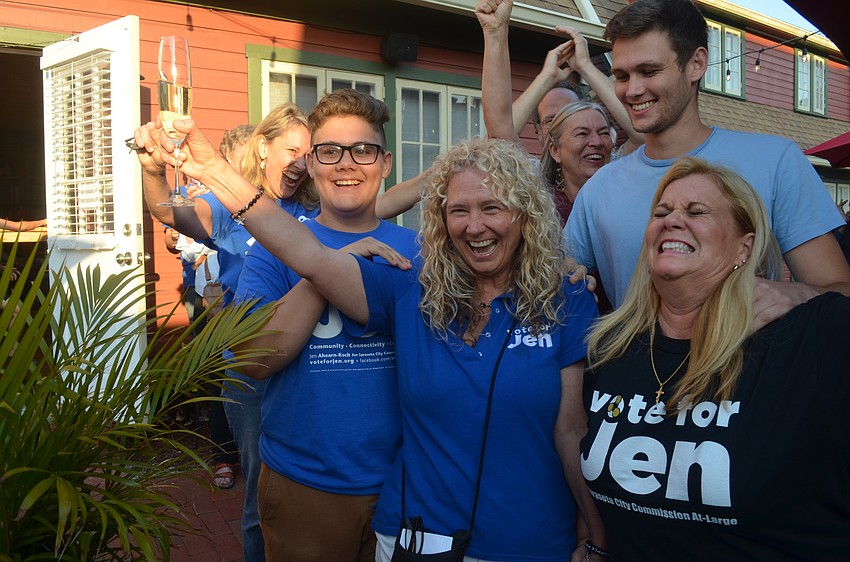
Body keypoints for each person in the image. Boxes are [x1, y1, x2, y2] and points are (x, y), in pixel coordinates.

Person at [152, 118, 607, 560]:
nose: (475, 226)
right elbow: (305, 253)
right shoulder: (413, 287)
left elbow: (571, 432)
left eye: (493, 207)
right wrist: (213, 169)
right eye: (458, 211)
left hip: (527, 537)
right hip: (417, 534)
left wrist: (594, 530)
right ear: (441, 222)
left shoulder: (564, 298)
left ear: (525, 215)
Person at [581, 155, 850, 560]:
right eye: (661, 212)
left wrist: (809, 291)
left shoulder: (812, 334)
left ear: (745, 246)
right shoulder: (609, 349)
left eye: (697, 212)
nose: (672, 220)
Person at [564, 0, 850, 323]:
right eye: (621, 75)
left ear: (697, 64)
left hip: (752, 369)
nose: (632, 89)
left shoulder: (776, 161)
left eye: (649, 71)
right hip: (638, 370)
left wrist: (796, 294)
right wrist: (573, 280)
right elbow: (555, 284)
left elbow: (840, 290)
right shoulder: (599, 188)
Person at [226, 89, 418, 561]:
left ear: (386, 162)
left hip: (408, 480)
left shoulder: (424, 250)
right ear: (311, 164)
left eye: (363, 150)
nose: (346, 164)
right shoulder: (273, 246)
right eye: (330, 151)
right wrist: (328, 267)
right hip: (303, 482)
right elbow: (254, 361)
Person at [133, 105, 318, 562]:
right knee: (260, 491)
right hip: (250, 373)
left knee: (306, 487)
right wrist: (154, 172)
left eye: (309, 154)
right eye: (291, 150)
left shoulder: (318, 206)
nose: (299, 163)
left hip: (311, 363)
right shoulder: (234, 201)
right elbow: (170, 213)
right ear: (263, 146)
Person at [479, 0, 642, 157]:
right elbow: (500, 141)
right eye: (551, 120)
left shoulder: (611, 168)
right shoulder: (532, 179)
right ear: (539, 132)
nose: (561, 127)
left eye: (570, 115)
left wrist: (585, 65)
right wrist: (495, 32)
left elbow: (641, 132)